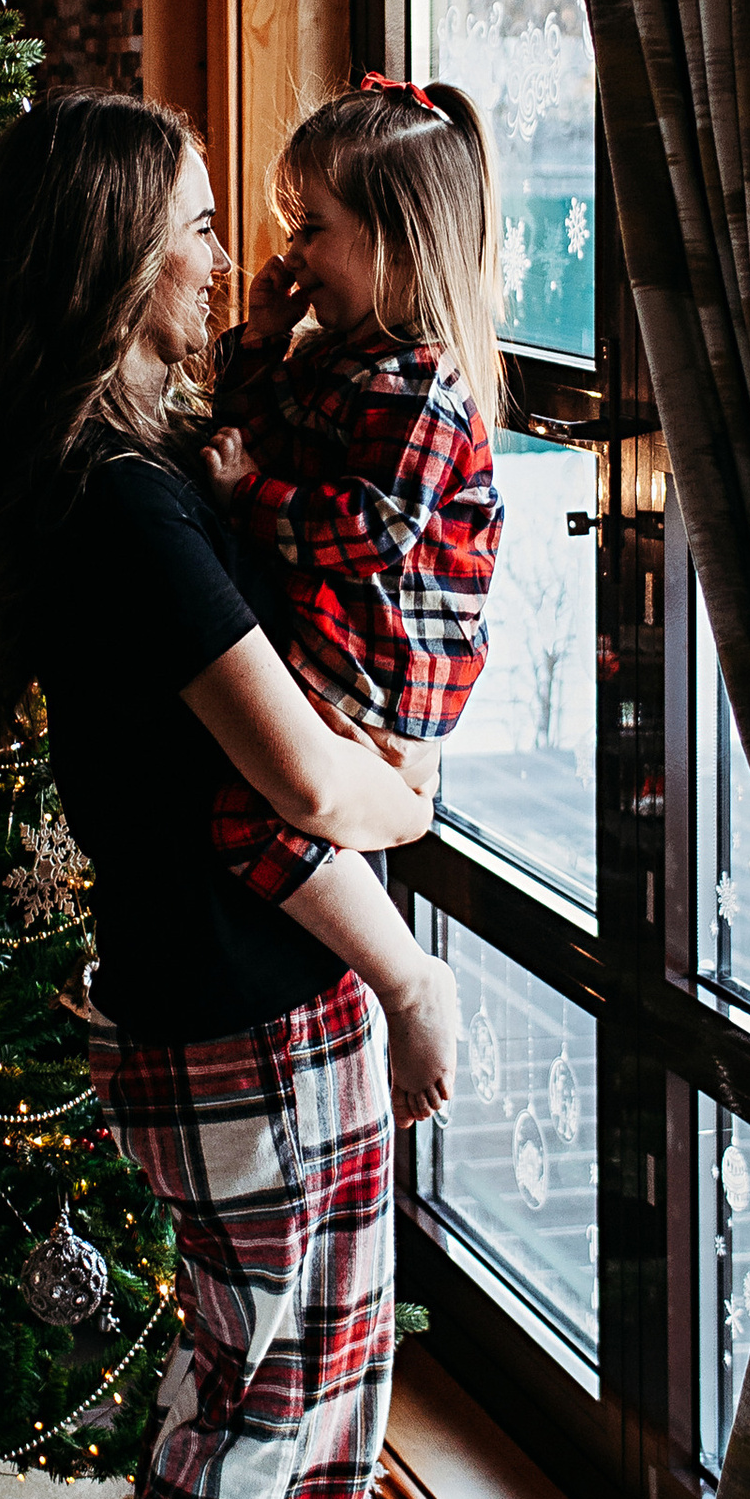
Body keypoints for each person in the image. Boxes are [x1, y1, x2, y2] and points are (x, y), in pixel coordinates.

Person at [0, 91, 461, 1499]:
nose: (232, 257)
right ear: (118, 261)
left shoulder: (149, 470)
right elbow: (304, 781)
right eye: (204, 223)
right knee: (247, 1430)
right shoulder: (119, 508)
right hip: (228, 1018)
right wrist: (405, 799)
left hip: (284, 1000)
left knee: (330, 1404)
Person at [200, 75, 503, 904]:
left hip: (384, 664)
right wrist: (261, 341)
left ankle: (399, 974)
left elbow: (371, 532)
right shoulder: (330, 358)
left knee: (243, 813)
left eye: (311, 229)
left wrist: (246, 495)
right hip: (340, 636)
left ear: (397, 245)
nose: (290, 253)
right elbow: (242, 435)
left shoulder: (420, 392)